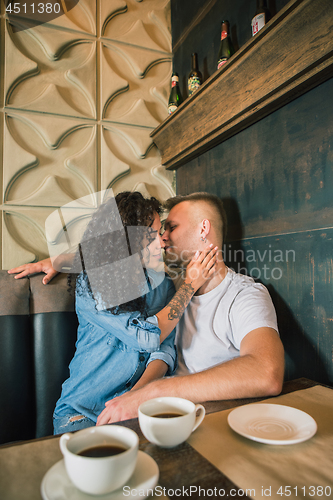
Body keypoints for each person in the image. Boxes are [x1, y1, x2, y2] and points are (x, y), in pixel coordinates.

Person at [9, 192, 284, 427]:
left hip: (152, 412)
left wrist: (143, 395)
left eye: (170, 227)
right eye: (157, 231)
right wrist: (63, 260)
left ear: (203, 229)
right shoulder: (172, 286)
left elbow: (264, 371)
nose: (163, 238)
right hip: (89, 413)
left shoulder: (229, 294)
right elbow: (115, 259)